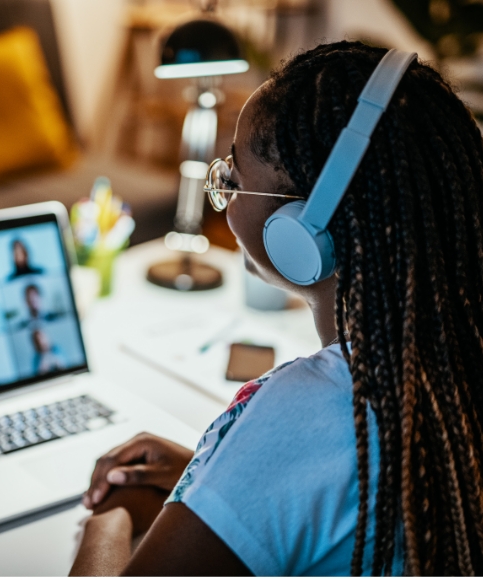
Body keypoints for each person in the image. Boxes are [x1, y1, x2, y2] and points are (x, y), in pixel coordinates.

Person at [71, 41, 483, 576]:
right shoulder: (451, 365)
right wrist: (220, 485)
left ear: (304, 230)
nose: (225, 197)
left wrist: (108, 518)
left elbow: (308, 456)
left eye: (233, 180)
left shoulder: (312, 409)